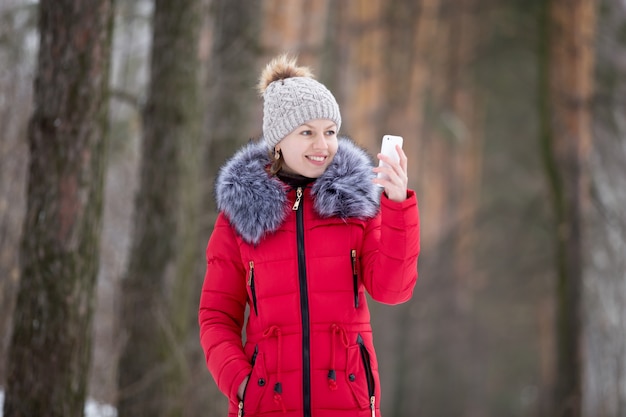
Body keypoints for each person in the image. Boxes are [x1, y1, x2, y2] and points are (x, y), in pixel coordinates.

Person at [198, 54, 420, 417]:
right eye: (307, 132)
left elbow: (394, 290)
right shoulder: (241, 215)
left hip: (348, 404)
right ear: (278, 141)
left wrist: (397, 205)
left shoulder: (356, 206)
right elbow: (216, 316)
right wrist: (242, 385)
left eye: (330, 131)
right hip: (268, 405)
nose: (323, 145)